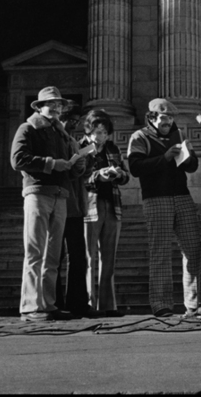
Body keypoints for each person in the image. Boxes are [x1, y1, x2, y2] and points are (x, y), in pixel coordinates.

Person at [11, 86, 86, 322]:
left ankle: (48, 304)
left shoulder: (63, 135)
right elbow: (18, 160)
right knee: (35, 252)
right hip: (38, 193)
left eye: (59, 105)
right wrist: (52, 163)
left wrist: (77, 164)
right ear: (39, 107)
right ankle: (31, 307)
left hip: (60, 195)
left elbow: (70, 172)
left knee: (53, 255)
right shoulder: (28, 128)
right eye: (51, 104)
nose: (56, 108)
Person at [127, 98, 201, 317]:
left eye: (170, 117)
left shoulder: (180, 135)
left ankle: (193, 304)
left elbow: (193, 165)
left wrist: (186, 157)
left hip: (182, 196)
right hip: (156, 198)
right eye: (163, 117)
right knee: (160, 251)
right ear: (152, 118)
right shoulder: (139, 137)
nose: (168, 121)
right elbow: (135, 167)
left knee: (193, 250)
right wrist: (165, 157)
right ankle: (162, 305)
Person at [80, 109, 129, 317]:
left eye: (103, 132)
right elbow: (77, 176)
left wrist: (118, 173)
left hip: (112, 204)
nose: (99, 137)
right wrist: (97, 176)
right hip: (89, 206)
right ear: (88, 131)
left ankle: (108, 305)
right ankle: (89, 304)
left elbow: (126, 176)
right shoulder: (81, 148)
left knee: (109, 258)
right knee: (89, 258)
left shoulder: (113, 148)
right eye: (96, 132)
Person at [54, 102, 97, 319]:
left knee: (78, 256)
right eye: (72, 120)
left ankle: (78, 302)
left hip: (76, 205)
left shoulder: (72, 140)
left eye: (77, 121)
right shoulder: (54, 138)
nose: (75, 124)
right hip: (60, 204)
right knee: (57, 256)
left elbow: (80, 173)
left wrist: (85, 161)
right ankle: (55, 302)